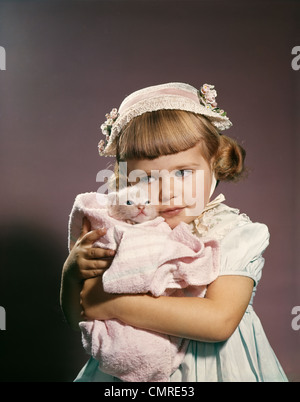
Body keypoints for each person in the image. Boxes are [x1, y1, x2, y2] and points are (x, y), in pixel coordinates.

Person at [60, 82, 288, 382]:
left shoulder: (230, 232)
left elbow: (219, 321)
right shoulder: (123, 232)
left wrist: (111, 302)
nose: (167, 192)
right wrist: (72, 274)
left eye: (183, 172)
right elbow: (82, 319)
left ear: (216, 162)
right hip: (135, 368)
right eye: (146, 178)